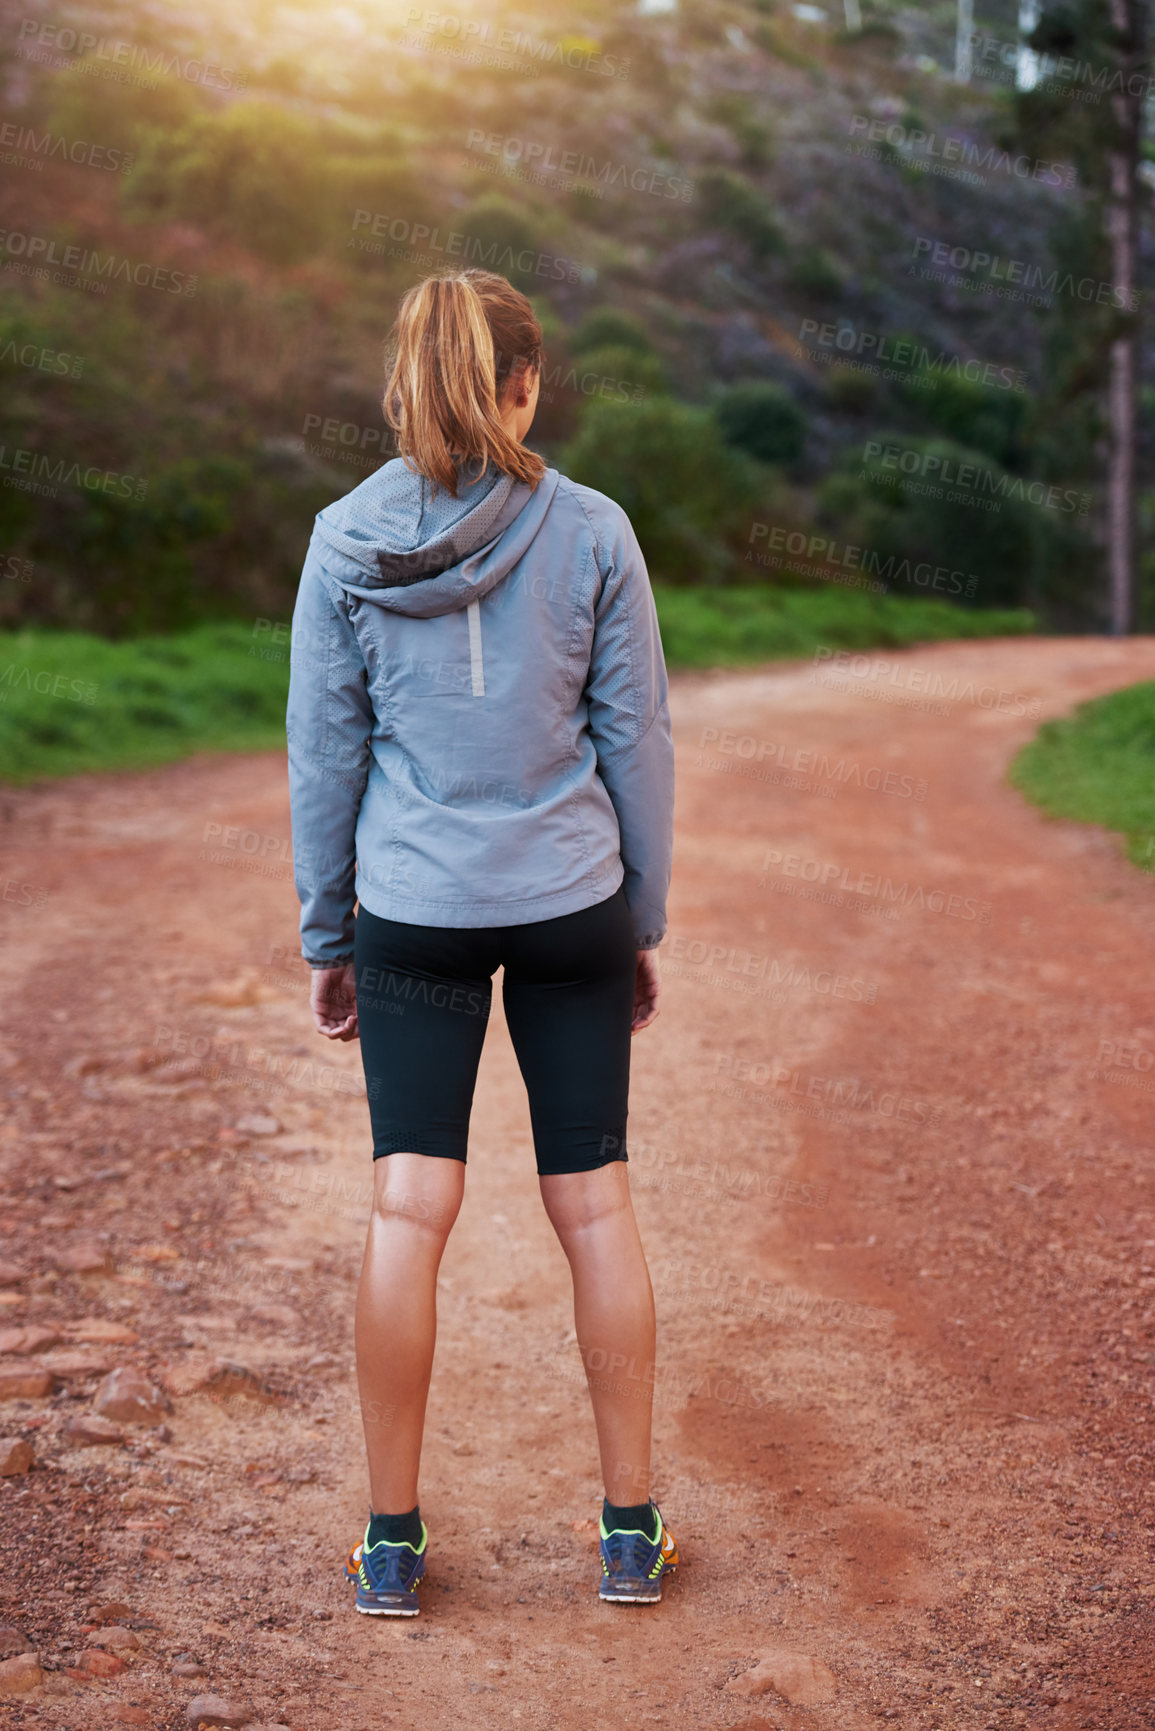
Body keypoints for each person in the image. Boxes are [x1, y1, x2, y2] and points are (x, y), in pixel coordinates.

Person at [286, 268, 677, 1615]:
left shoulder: (344, 540)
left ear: (406, 383)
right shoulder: (595, 533)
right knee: (596, 1203)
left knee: (409, 1204)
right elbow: (637, 741)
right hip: (570, 899)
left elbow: (326, 752)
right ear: (526, 379)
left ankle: (391, 1545)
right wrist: (641, 918)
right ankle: (630, 1531)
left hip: (413, 908)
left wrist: (326, 930)